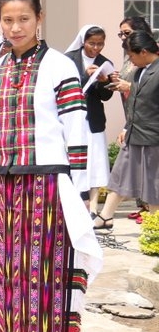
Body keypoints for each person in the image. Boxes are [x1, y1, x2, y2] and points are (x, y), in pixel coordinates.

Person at [0, 0, 103, 332]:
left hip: (48, 181)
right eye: (8, 20)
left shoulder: (59, 66)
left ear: (39, 18)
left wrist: (79, 190)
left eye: (24, 19)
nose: (15, 27)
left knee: (47, 266)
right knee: (11, 268)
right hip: (6, 180)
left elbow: (76, 128)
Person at [95, 30, 159, 233]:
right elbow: (135, 103)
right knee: (119, 176)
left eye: (132, 55)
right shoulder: (139, 71)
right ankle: (105, 216)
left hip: (153, 137)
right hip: (134, 133)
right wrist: (126, 126)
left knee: (153, 185)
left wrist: (129, 86)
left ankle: (154, 228)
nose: (130, 60)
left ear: (144, 52)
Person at [65, 25, 116, 216]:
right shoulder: (69, 59)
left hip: (93, 118)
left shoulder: (105, 62)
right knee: (73, 159)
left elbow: (106, 97)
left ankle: (93, 206)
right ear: (83, 41)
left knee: (95, 161)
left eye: (100, 44)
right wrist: (84, 76)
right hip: (71, 117)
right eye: (92, 43)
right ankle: (73, 201)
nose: (96, 48)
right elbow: (63, 87)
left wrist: (104, 82)